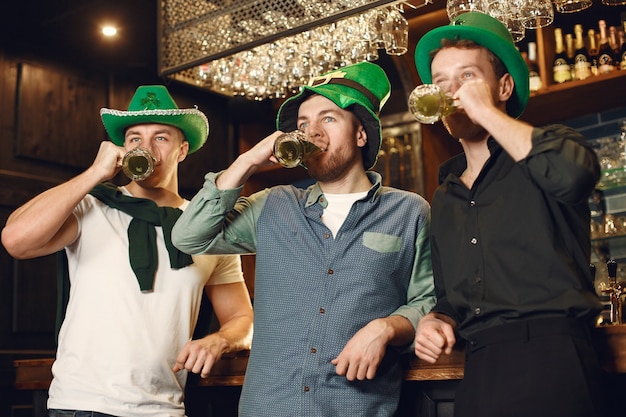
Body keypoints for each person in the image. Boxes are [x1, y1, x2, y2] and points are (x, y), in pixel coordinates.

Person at [171, 61, 436, 417]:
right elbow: (188, 236)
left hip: (355, 408)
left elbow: (428, 300)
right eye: (303, 125)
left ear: (361, 134)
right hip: (267, 408)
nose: (313, 133)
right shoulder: (274, 205)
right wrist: (249, 161)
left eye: (328, 119)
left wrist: (386, 327)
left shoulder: (409, 211)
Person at [1, 85, 254, 417]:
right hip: (81, 405)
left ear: (182, 150)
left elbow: (241, 319)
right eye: (135, 139)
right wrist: (95, 174)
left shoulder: (206, 227)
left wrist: (219, 340)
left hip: (164, 409)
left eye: (161, 138)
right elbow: (15, 240)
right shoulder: (92, 206)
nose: (145, 148)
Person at [411, 12, 604, 417]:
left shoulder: (552, 146)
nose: (452, 93)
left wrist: (486, 113)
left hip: (555, 358)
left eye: (466, 77)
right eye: (441, 82)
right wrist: (436, 320)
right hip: (480, 367)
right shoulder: (444, 196)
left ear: (503, 86)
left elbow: (573, 176)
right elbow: (452, 298)